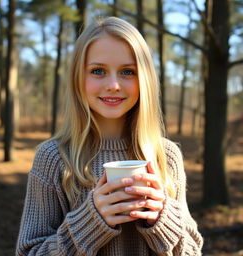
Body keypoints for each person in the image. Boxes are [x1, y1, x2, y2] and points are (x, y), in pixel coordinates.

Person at [16, 16, 203, 255]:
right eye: (98, 71)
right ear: (78, 79)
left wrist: (162, 220)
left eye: (127, 71)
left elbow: (193, 251)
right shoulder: (54, 158)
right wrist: (90, 222)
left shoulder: (165, 156)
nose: (114, 84)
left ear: (144, 79)